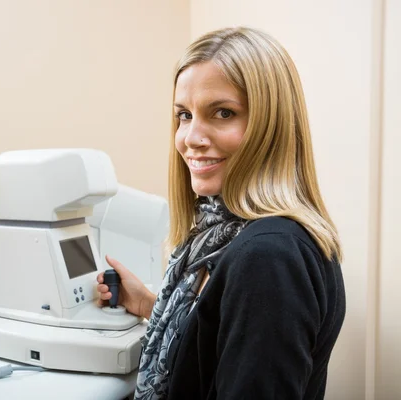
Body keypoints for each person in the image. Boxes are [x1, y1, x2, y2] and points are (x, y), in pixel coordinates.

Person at [96, 27, 346, 400]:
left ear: (271, 125)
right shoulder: (227, 235)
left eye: (223, 113)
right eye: (184, 115)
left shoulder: (268, 257)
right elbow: (222, 343)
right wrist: (151, 305)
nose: (190, 138)